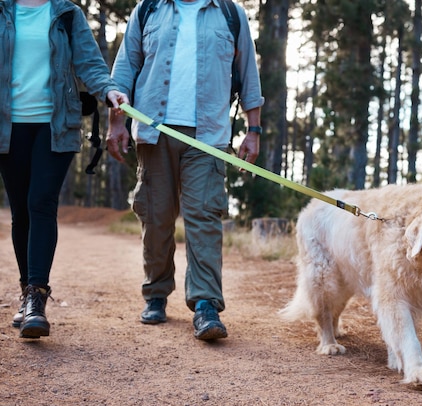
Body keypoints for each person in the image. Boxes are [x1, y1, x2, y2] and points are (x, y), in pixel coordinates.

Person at [106, 0, 264, 340]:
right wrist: (115, 124)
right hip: (153, 131)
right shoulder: (148, 9)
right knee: (156, 216)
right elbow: (124, 71)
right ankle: (156, 293)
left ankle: (206, 303)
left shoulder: (229, 13)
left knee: (204, 217)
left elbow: (249, 73)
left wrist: (254, 130)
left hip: (208, 137)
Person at [0, 0, 129, 338]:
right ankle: (27, 289)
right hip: (8, 127)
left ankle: (36, 299)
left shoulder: (66, 13)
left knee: (40, 203)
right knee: (21, 214)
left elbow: (90, 63)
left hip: (55, 124)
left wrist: (109, 89)